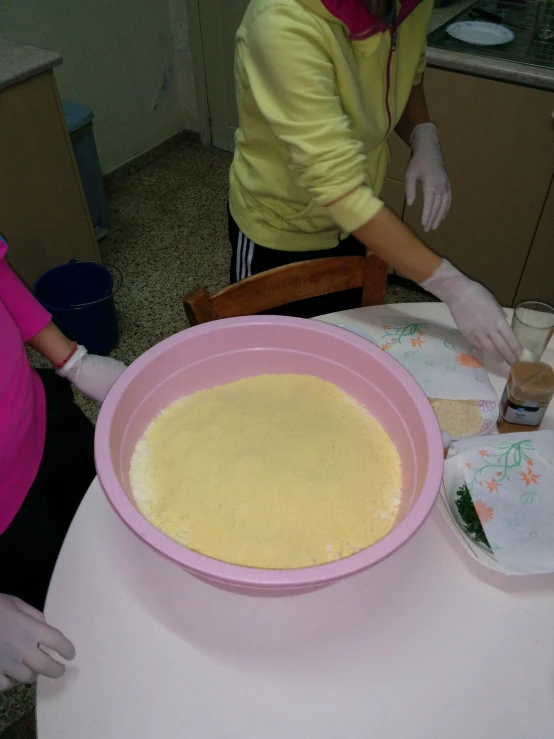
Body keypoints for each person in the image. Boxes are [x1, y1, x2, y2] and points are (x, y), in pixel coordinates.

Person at [228, 0, 520, 363]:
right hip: (281, 224)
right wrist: (452, 286)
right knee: (267, 356)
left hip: (356, 223)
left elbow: (407, 72)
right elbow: (340, 190)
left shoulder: (411, 4)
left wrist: (424, 138)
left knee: (334, 342)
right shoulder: (282, 23)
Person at [0, 236, 126, 691]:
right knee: (57, 608)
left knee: (105, 533)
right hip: (6, 522)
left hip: (42, 419)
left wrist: (72, 360)